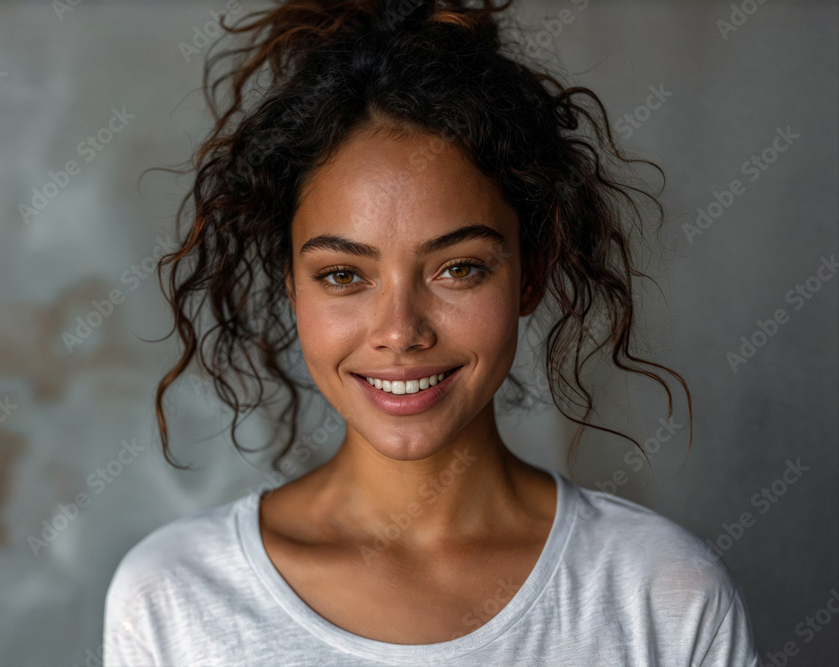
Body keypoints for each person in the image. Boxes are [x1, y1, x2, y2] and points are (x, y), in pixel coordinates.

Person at [104, 1, 761, 664]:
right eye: (342, 275)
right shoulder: (175, 598)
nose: (400, 330)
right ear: (290, 283)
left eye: (458, 268)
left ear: (529, 274)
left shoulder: (661, 595)